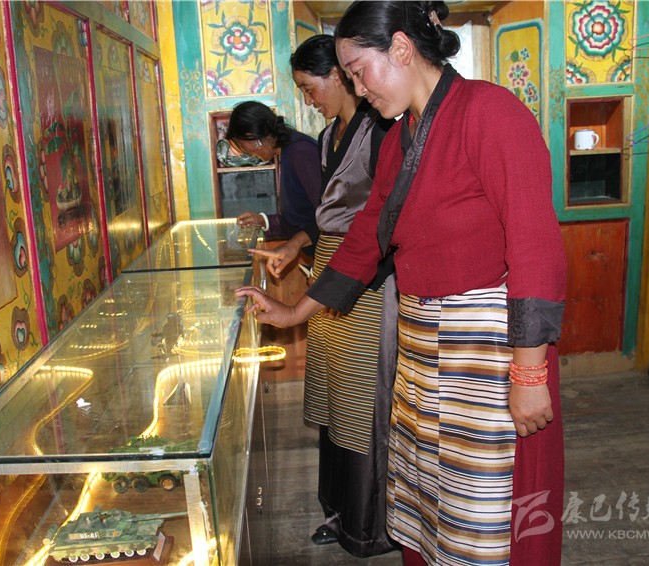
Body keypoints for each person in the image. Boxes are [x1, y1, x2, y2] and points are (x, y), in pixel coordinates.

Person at [235, 3, 567, 566]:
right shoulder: (397, 138)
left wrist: (530, 374)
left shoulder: (491, 113)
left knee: (483, 509)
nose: (359, 90)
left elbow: (536, 247)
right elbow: (366, 239)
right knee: (426, 498)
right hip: (418, 343)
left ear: (402, 49)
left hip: (488, 350)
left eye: (359, 72)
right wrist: (294, 312)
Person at [251, 34, 396, 557]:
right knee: (336, 400)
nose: (308, 100)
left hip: (365, 284)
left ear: (339, 75)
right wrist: (295, 244)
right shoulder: (328, 135)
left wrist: (302, 299)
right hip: (329, 274)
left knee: (363, 405)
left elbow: (376, 225)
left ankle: (371, 524)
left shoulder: (382, 131)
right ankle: (338, 511)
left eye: (310, 88)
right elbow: (325, 217)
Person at [227, 101, 321, 243]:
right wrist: (262, 220)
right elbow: (297, 218)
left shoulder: (300, 152)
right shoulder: (286, 152)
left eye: (240, 144)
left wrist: (295, 244)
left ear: (252, 136)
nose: (244, 152)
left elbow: (328, 216)